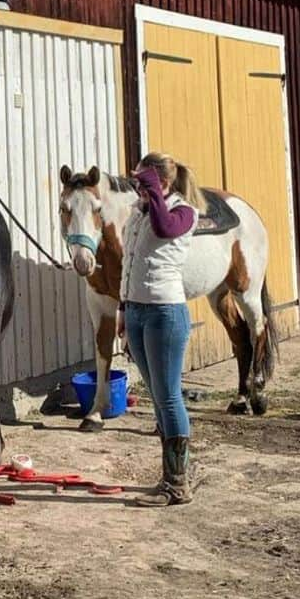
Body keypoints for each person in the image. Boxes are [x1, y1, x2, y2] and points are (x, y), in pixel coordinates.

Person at [117, 151, 203, 507]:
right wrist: (123, 308)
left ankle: (177, 484)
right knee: (157, 395)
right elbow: (129, 262)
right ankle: (175, 472)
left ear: (162, 183)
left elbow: (165, 229)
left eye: (144, 182)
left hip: (165, 312)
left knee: (168, 396)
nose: (138, 189)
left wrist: (153, 194)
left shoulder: (184, 212)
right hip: (137, 311)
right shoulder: (139, 213)